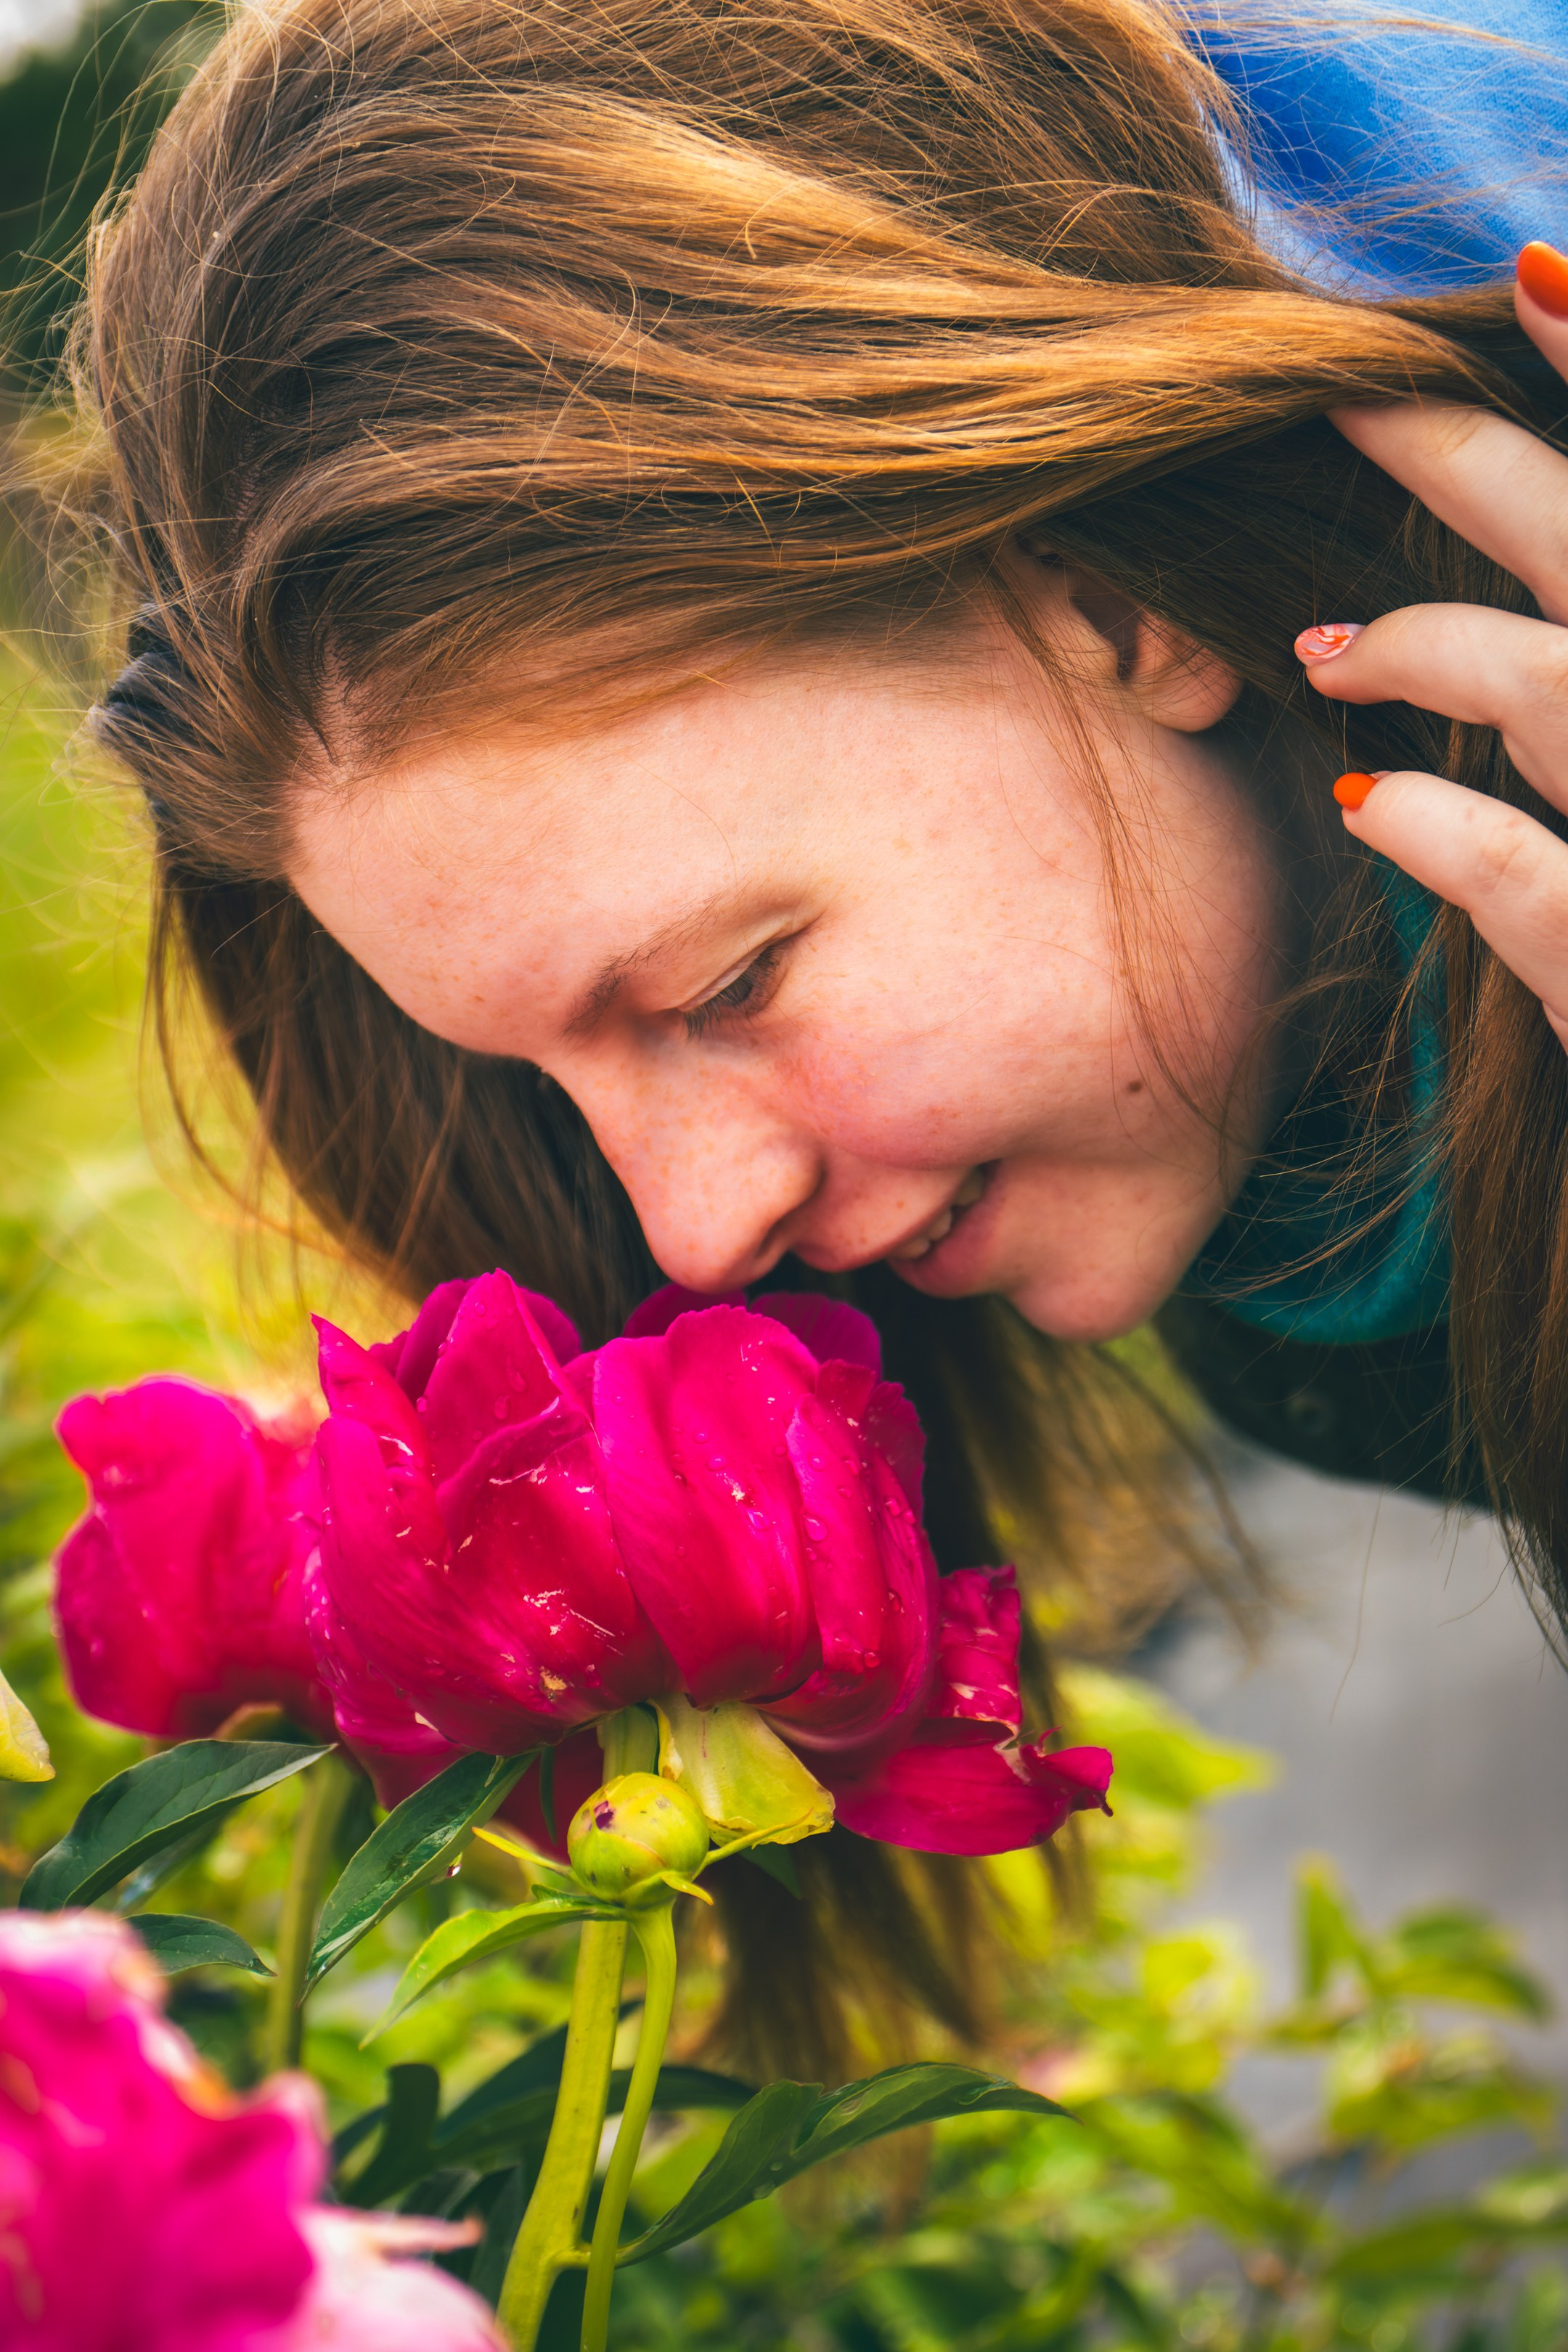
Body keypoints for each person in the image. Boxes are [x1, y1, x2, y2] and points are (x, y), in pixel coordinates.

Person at [40, 0, 1568, 2067]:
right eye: (539, 1081)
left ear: (1122, 601)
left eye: (727, 986)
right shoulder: (1317, 1144)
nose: (688, 1233)